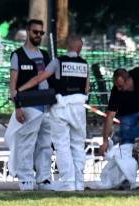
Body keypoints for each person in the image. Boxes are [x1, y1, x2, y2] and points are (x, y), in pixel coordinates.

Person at [16, 34, 89, 191]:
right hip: (79, 108)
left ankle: (68, 182)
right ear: (80, 48)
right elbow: (87, 88)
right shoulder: (85, 64)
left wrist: (19, 91)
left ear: (67, 47)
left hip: (61, 107)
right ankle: (79, 183)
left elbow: (39, 78)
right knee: (77, 145)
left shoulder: (58, 62)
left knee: (62, 145)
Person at [4, 19, 54, 191]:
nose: (38, 36)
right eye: (35, 32)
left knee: (45, 144)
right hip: (28, 105)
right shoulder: (18, 55)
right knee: (26, 143)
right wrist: (17, 106)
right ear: (27, 31)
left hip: (46, 106)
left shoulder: (46, 55)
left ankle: (44, 177)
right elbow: (13, 84)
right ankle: (25, 177)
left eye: (41, 33)